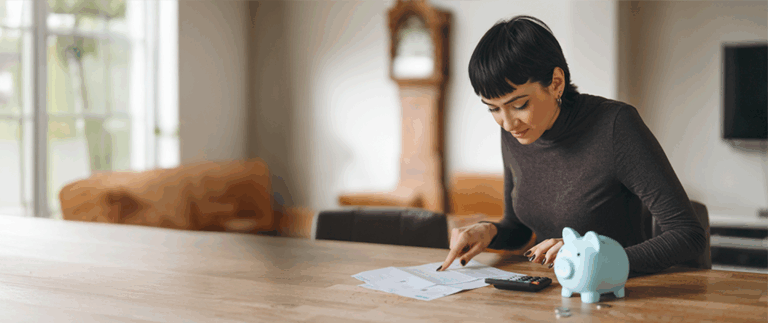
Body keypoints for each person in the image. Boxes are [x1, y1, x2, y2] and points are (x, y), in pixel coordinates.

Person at [437, 16, 706, 276]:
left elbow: (688, 235)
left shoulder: (615, 126)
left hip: (618, 292)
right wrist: (488, 231)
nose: (506, 123)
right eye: (493, 109)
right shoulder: (517, 131)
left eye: (520, 105)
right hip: (552, 287)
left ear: (556, 83)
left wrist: (591, 255)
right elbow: (518, 227)